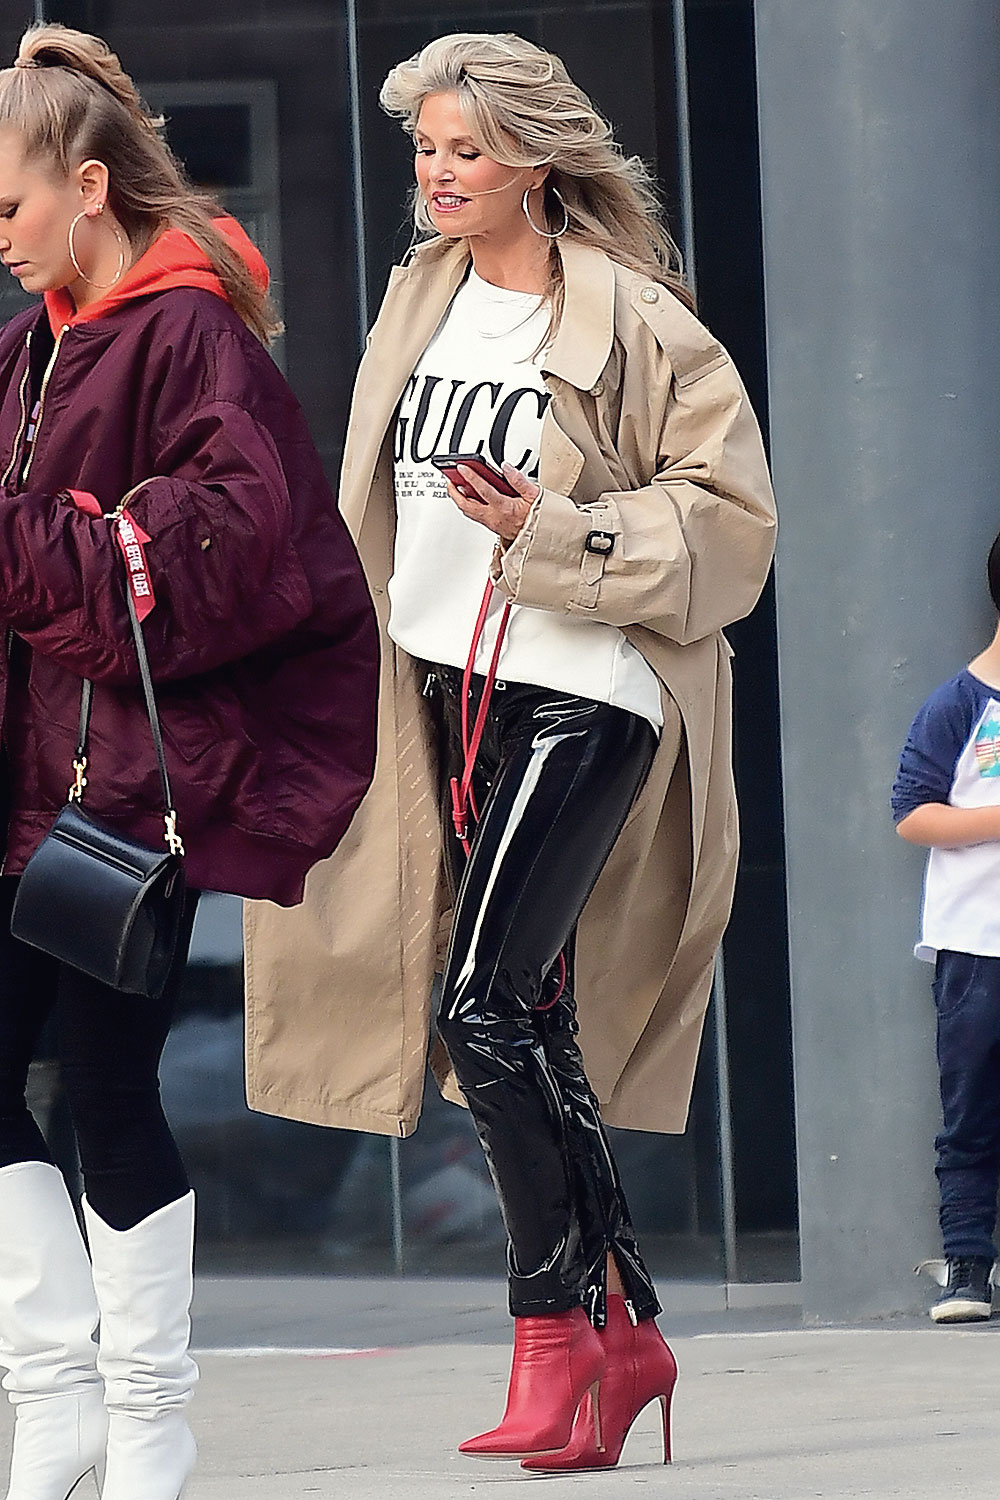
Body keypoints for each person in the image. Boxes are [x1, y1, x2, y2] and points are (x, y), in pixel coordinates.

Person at [245, 31, 776, 1469]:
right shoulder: (418, 303)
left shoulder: (642, 325)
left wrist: (547, 533)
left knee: (482, 1007)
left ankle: (554, 1341)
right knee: (518, 1020)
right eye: (424, 148)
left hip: (587, 682)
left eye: (465, 149)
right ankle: (625, 1330)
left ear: (535, 158)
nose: (436, 174)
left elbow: (732, 534)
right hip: (442, 694)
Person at [0, 22, 377, 1500]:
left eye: (13, 208)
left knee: (105, 1085)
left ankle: (146, 1413)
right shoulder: (34, 343)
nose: (3, 240)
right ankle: (52, 1395)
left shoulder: (192, 332)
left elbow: (222, 557)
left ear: (90, 186)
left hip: (124, 788)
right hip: (31, 777)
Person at [892, 531, 1000, 1324]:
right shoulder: (958, 704)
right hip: (975, 947)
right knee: (970, 1111)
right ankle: (968, 1269)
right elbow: (912, 814)